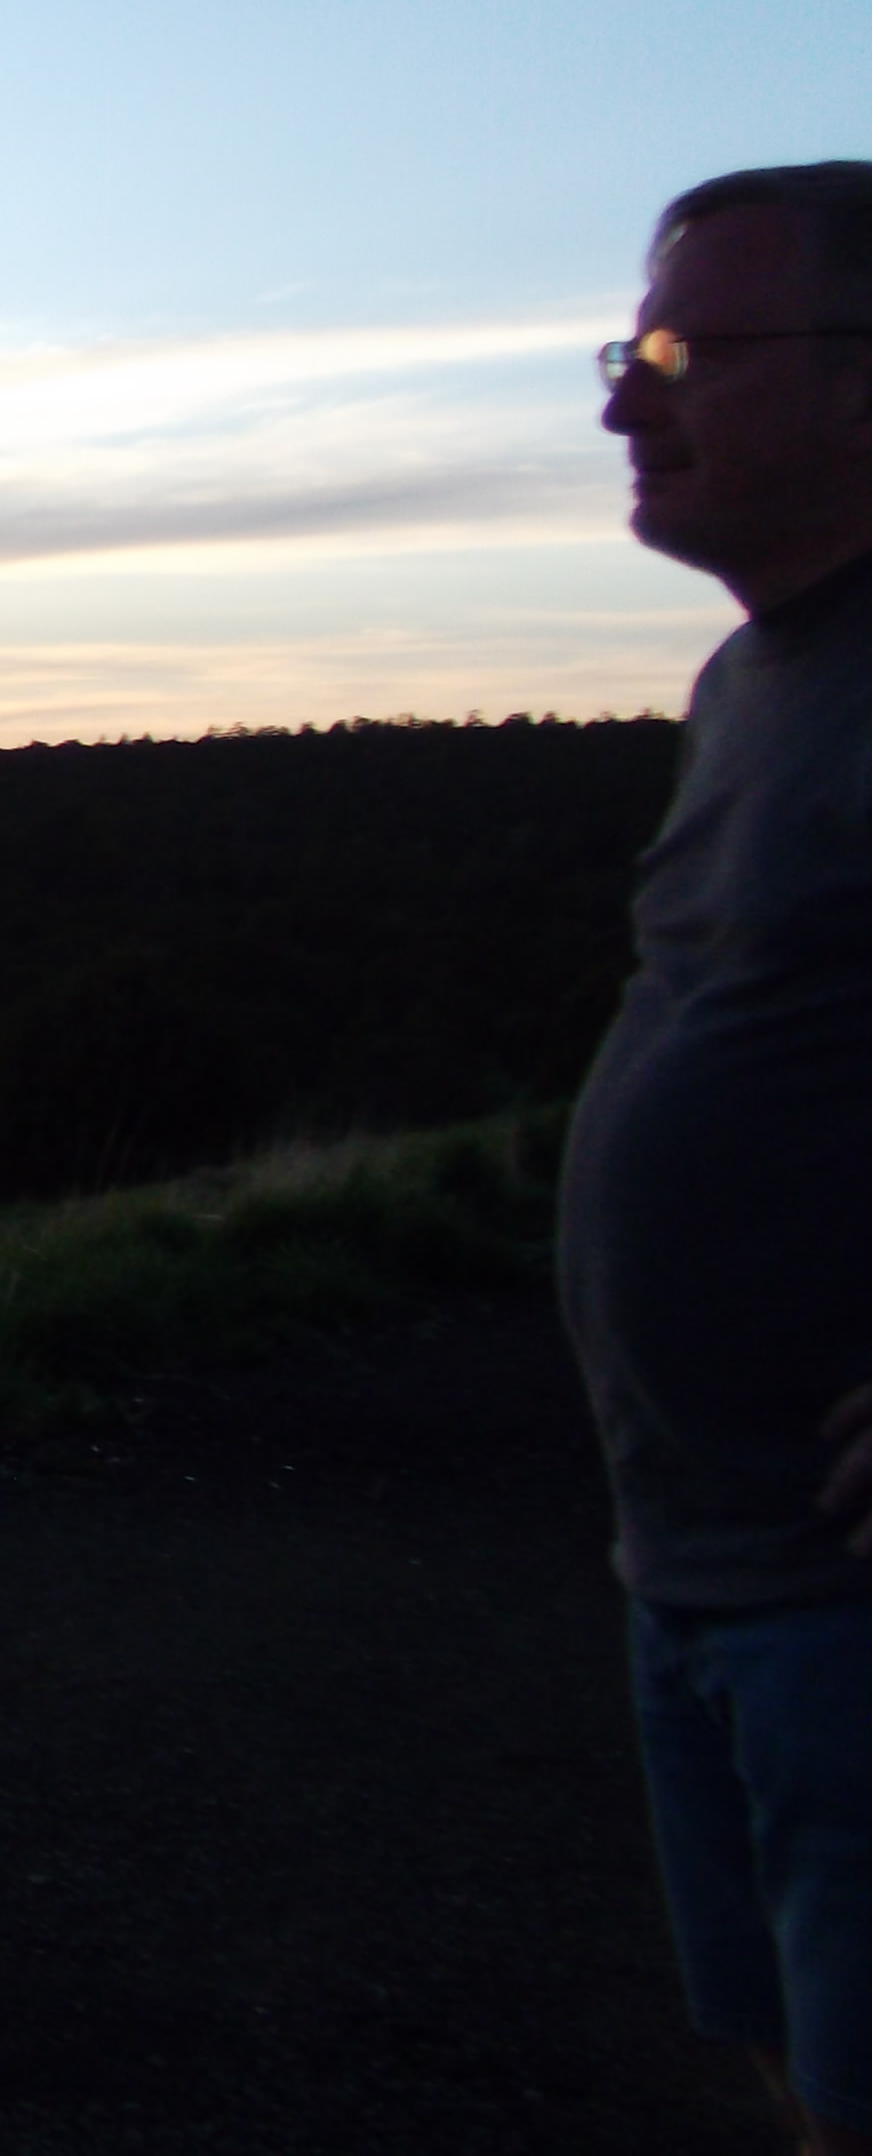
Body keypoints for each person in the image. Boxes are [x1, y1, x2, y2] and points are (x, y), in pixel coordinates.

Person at [570, 160, 872, 2155]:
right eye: (624, 348)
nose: (620, 400)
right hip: (696, 1569)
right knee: (791, 2068)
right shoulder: (751, 682)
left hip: (843, 1603)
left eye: (679, 350)